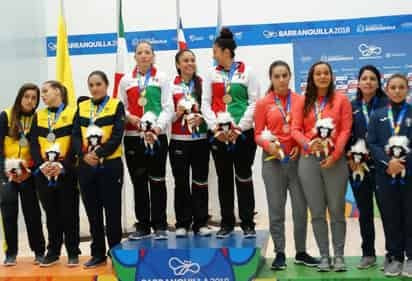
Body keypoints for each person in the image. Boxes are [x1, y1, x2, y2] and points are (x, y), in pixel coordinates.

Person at [254, 60, 319, 270]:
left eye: (284, 75)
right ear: (271, 79)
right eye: (277, 76)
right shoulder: (264, 103)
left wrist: (301, 147)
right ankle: (280, 253)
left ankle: (301, 252)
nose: (281, 80)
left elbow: (308, 130)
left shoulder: (301, 101)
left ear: (290, 76)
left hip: (297, 162)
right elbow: (257, 134)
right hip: (272, 162)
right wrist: (268, 145)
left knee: (300, 209)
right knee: (276, 209)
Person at [291, 61, 352, 272]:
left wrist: (335, 155)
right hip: (309, 161)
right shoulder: (302, 101)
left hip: (334, 161)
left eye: (326, 73)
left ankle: (339, 256)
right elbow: (295, 130)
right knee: (316, 212)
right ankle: (324, 256)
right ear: (312, 77)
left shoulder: (341, 99)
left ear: (331, 76)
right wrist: (308, 143)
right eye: (318, 73)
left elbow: (345, 130)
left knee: (336, 210)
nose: (323, 76)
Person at [201, 28, 259, 238]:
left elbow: (254, 102)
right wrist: (217, 128)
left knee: (244, 177)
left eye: (215, 50)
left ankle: (248, 223)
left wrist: (238, 128)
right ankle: (226, 223)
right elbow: (205, 103)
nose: (213, 54)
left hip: (242, 135)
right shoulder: (210, 73)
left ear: (226, 51)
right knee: (224, 179)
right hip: (218, 135)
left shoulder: (248, 72)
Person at [118, 41, 173, 240]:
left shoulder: (162, 78)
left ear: (153, 56)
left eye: (147, 52)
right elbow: (120, 108)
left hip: (157, 136)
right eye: (140, 52)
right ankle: (143, 225)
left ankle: (160, 225)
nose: (143, 56)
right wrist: (130, 118)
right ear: (135, 57)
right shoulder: (126, 80)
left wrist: (156, 129)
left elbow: (168, 107)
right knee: (139, 182)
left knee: (157, 180)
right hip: (134, 137)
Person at [73, 71, 125, 268]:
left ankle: (115, 253)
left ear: (106, 85)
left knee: (112, 212)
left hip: (110, 165)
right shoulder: (82, 107)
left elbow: (117, 135)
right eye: (91, 85)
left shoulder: (115, 105)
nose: (95, 88)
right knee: (93, 212)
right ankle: (97, 253)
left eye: (98, 84)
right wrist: (84, 155)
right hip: (86, 166)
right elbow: (75, 135)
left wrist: (99, 154)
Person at [30, 81, 80, 267]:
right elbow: (33, 143)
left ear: (57, 92)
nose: (41, 96)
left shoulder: (72, 113)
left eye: (45, 92)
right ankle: (53, 252)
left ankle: (73, 251)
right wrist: (42, 165)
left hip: (66, 173)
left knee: (69, 213)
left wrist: (62, 166)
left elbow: (76, 143)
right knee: (51, 214)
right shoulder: (39, 115)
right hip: (44, 174)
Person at [367, 74, 412, 277]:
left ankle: (410, 257)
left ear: (407, 90)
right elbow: (373, 143)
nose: (397, 91)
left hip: (409, 173)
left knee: (410, 215)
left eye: (401, 87)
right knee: (391, 216)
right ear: (386, 89)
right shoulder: (377, 115)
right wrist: (389, 163)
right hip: (385, 175)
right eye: (393, 87)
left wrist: (402, 162)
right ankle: (395, 257)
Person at [347, 65, 388, 269]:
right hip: (358, 167)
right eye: (365, 78)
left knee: (388, 211)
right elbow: (347, 135)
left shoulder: (387, 104)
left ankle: (393, 254)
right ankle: (368, 254)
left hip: (383, 167)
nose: (369, 82)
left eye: (373, 78)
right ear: (359, 82)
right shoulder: (352, 106)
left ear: (378, 82)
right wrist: (350, 155)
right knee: (364, 212)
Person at [0, 83, 45, 266]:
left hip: (29, 174)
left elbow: (39, 149)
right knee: (8, 213)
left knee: (33, 214)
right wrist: (5, 170)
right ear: (20, 97)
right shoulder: (6, 115)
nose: (30, 101)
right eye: (27, 96)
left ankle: (39, 251)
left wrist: (31, 172)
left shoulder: (38, 118)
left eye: (34, 98)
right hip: (7, 173)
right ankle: (11, 253)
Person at [169, 49, 211, 237]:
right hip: (179, 141)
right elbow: (165, 115)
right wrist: (177, 114)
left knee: (200, 182)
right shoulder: (171, 86)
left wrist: (202, 119)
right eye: (185, 60)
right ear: (178, 65)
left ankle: (201, 222)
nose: (189, 63)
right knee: (181, 183)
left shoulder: (203, 84)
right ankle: (182, 223)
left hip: (200, 141)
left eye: (192, 60)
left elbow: (211, 109)